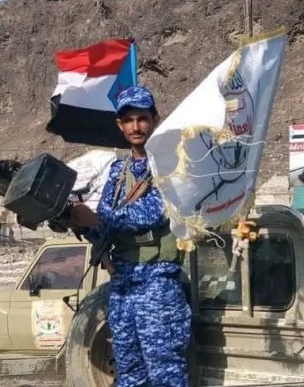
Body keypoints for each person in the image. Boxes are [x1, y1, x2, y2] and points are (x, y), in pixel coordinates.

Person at [70, 86, 191, 387]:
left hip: (157, 282)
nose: (136, 127)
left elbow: (150, 214)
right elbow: (107, 228)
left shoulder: (171, 164)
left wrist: (96, 217)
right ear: (120, 125)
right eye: (129, 120)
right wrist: (75, 219)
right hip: (123, 283)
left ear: (154, 119)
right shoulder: (118, 171)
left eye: (142, 118)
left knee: (165, 373)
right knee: (129, 373)